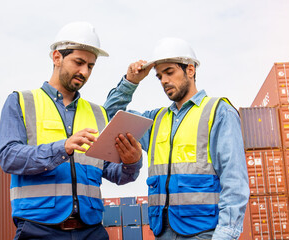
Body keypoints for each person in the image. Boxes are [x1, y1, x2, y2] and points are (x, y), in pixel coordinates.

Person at [0, 21, 142, 240]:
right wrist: (61, 148)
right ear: (57, 57)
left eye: (91, 66)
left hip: (91, 230)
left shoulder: (98, 113)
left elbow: (113, 173)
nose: (84, 72)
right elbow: (8, 158)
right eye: (79, 62)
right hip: (39, 230)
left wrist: (131, 162)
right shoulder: (21, 102)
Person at [104, 37, 249, 240]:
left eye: (169, 72)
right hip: (162, 232)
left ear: (190, 70)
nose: (163, 80)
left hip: (204, 233)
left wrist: (225, 235)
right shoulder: (155, 120)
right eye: (159, 76)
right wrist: (130, 83)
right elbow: (108, 117)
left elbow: (235, 182)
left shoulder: (218, 112)